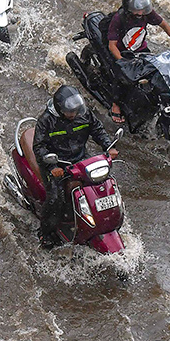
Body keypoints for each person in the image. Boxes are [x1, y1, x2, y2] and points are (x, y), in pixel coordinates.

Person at [32, 86, 116, 249]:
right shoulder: (47, 120)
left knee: (102, 186)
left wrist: (108, 146)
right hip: (56, 164)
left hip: (80, 159)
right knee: (56, 198)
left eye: (76, 112)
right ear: (59, 108)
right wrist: (53, 166)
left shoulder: (83, 114)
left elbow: (98, 130)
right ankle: (45, 233)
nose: (74, 116)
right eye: (70, 113)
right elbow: (39, 147)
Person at [105, 0, 170, 122]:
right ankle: (115, 105)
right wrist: (123, 62)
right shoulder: (119, 18)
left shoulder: (147, 14)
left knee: (158, 71)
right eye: (137, 9)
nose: (140, 12)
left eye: (143, 9)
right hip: (123, 53)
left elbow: (164, 25)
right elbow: (112, 45)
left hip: (141, 50)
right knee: (122, 77)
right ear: (129, 8)